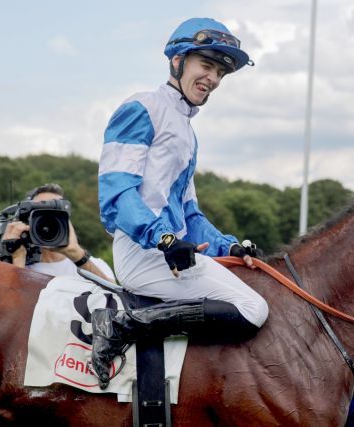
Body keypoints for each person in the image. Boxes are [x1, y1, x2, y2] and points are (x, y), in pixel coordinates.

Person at [92, 17, 269, 389]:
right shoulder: (142, 107)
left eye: (220, 72)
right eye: (206, 66)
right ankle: (119, 326)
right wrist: (164, 240)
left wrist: (229, 244)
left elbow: (189, 214)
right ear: (177, 62)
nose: (214, 79)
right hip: (143, 253)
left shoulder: (187, 132)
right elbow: (117, 192)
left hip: (172, 253)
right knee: (254, 309)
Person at [1, 183, 115, 282]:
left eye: (55, 212)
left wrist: (78, 256)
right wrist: (18, 258)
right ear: (27, 221)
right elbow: (12, 304)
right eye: (41, 213)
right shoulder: (19, 266)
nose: (47, 223)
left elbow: (116, 299)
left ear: (66, 219)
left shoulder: (95, 265)